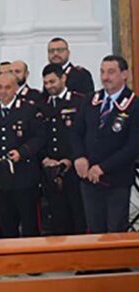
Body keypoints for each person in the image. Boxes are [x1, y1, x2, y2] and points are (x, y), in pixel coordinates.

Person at [72, 55, 139, 233]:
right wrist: (79, 157)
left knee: (115, 231)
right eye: (102, 71)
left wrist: (102, 167)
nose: (105, 77)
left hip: (116, 180)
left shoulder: (134, 105)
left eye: (111, 72)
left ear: (124, 74)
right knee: (94, 231)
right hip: (89, 180)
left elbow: (133, 147)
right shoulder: (90, 100)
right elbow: (77, 133)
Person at [0, 73, 45, 238]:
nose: (3, 91)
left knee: (29, 224)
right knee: (5, 224)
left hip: (24, 175)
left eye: (7, 87)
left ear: (16, 88)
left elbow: (40, 138)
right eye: (0, 87)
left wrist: (22, 152)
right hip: (0, 177)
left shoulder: (28, 109)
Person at [38, 64, 86, 235]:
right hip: (50, 170)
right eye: (46, 83)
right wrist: (44, 158)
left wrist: (71, 159)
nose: (49, 86)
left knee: (78, 217)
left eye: (52, 81)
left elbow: (83, 135)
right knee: (57, 219)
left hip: (73, 169)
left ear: (63, 78)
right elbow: (39, 136)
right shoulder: (41, 105)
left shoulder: (80, 101)